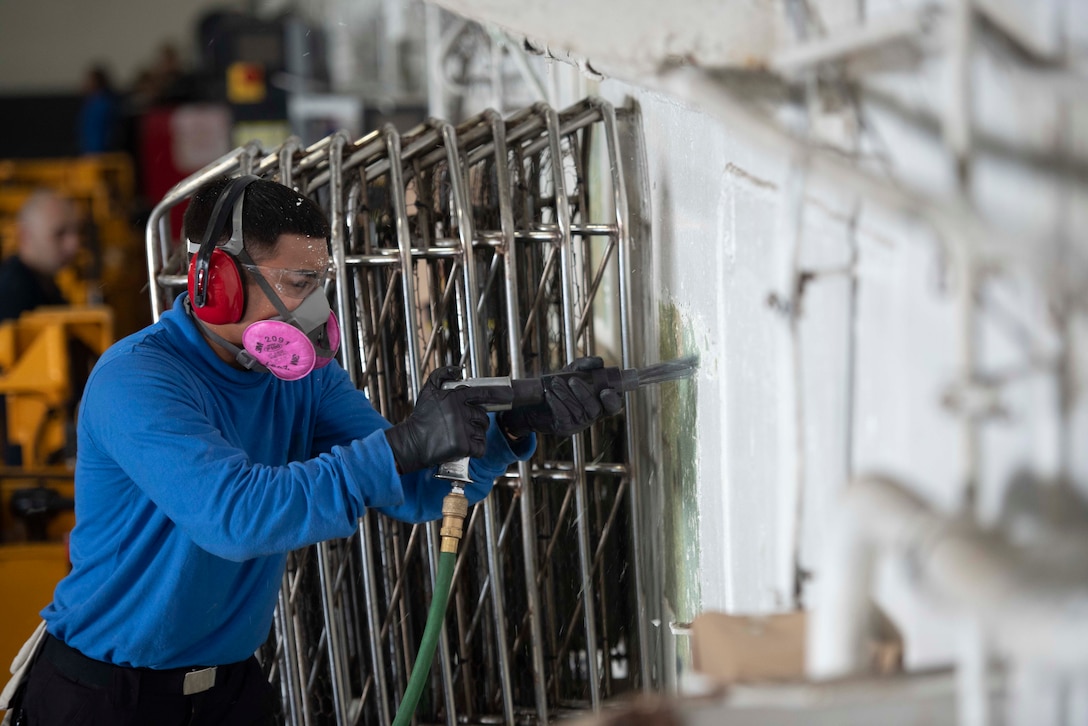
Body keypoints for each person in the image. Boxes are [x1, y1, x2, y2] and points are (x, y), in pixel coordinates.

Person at [7, 175, 622, 725]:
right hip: (106, 699)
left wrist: (503, 434)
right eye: (299, 284)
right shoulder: (137, 380)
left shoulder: (302, 377)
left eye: (320, 283)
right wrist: (403, 442)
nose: (316, 309)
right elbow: (236, 516)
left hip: (229, 690)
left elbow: (414, 488)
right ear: (214, 282)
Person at [0, 189, 82, 324]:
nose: (74, 244)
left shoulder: (45, 285)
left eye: (77, 231)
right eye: (59, 233)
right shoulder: (11, 297)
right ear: (25, 236)